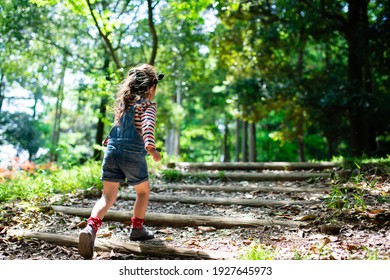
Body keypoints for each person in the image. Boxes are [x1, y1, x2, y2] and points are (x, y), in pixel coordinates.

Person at [78, 64, 163, 259]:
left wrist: (108, 142)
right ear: (150, 87)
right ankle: (137, 228)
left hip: (112, 152)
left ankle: (91, 228)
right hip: (133, 153)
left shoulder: (123, 105)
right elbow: (148, 125)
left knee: (107, 197)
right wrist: (151, 147)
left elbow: (118, 128)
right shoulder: (147, 105)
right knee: (142, 192)